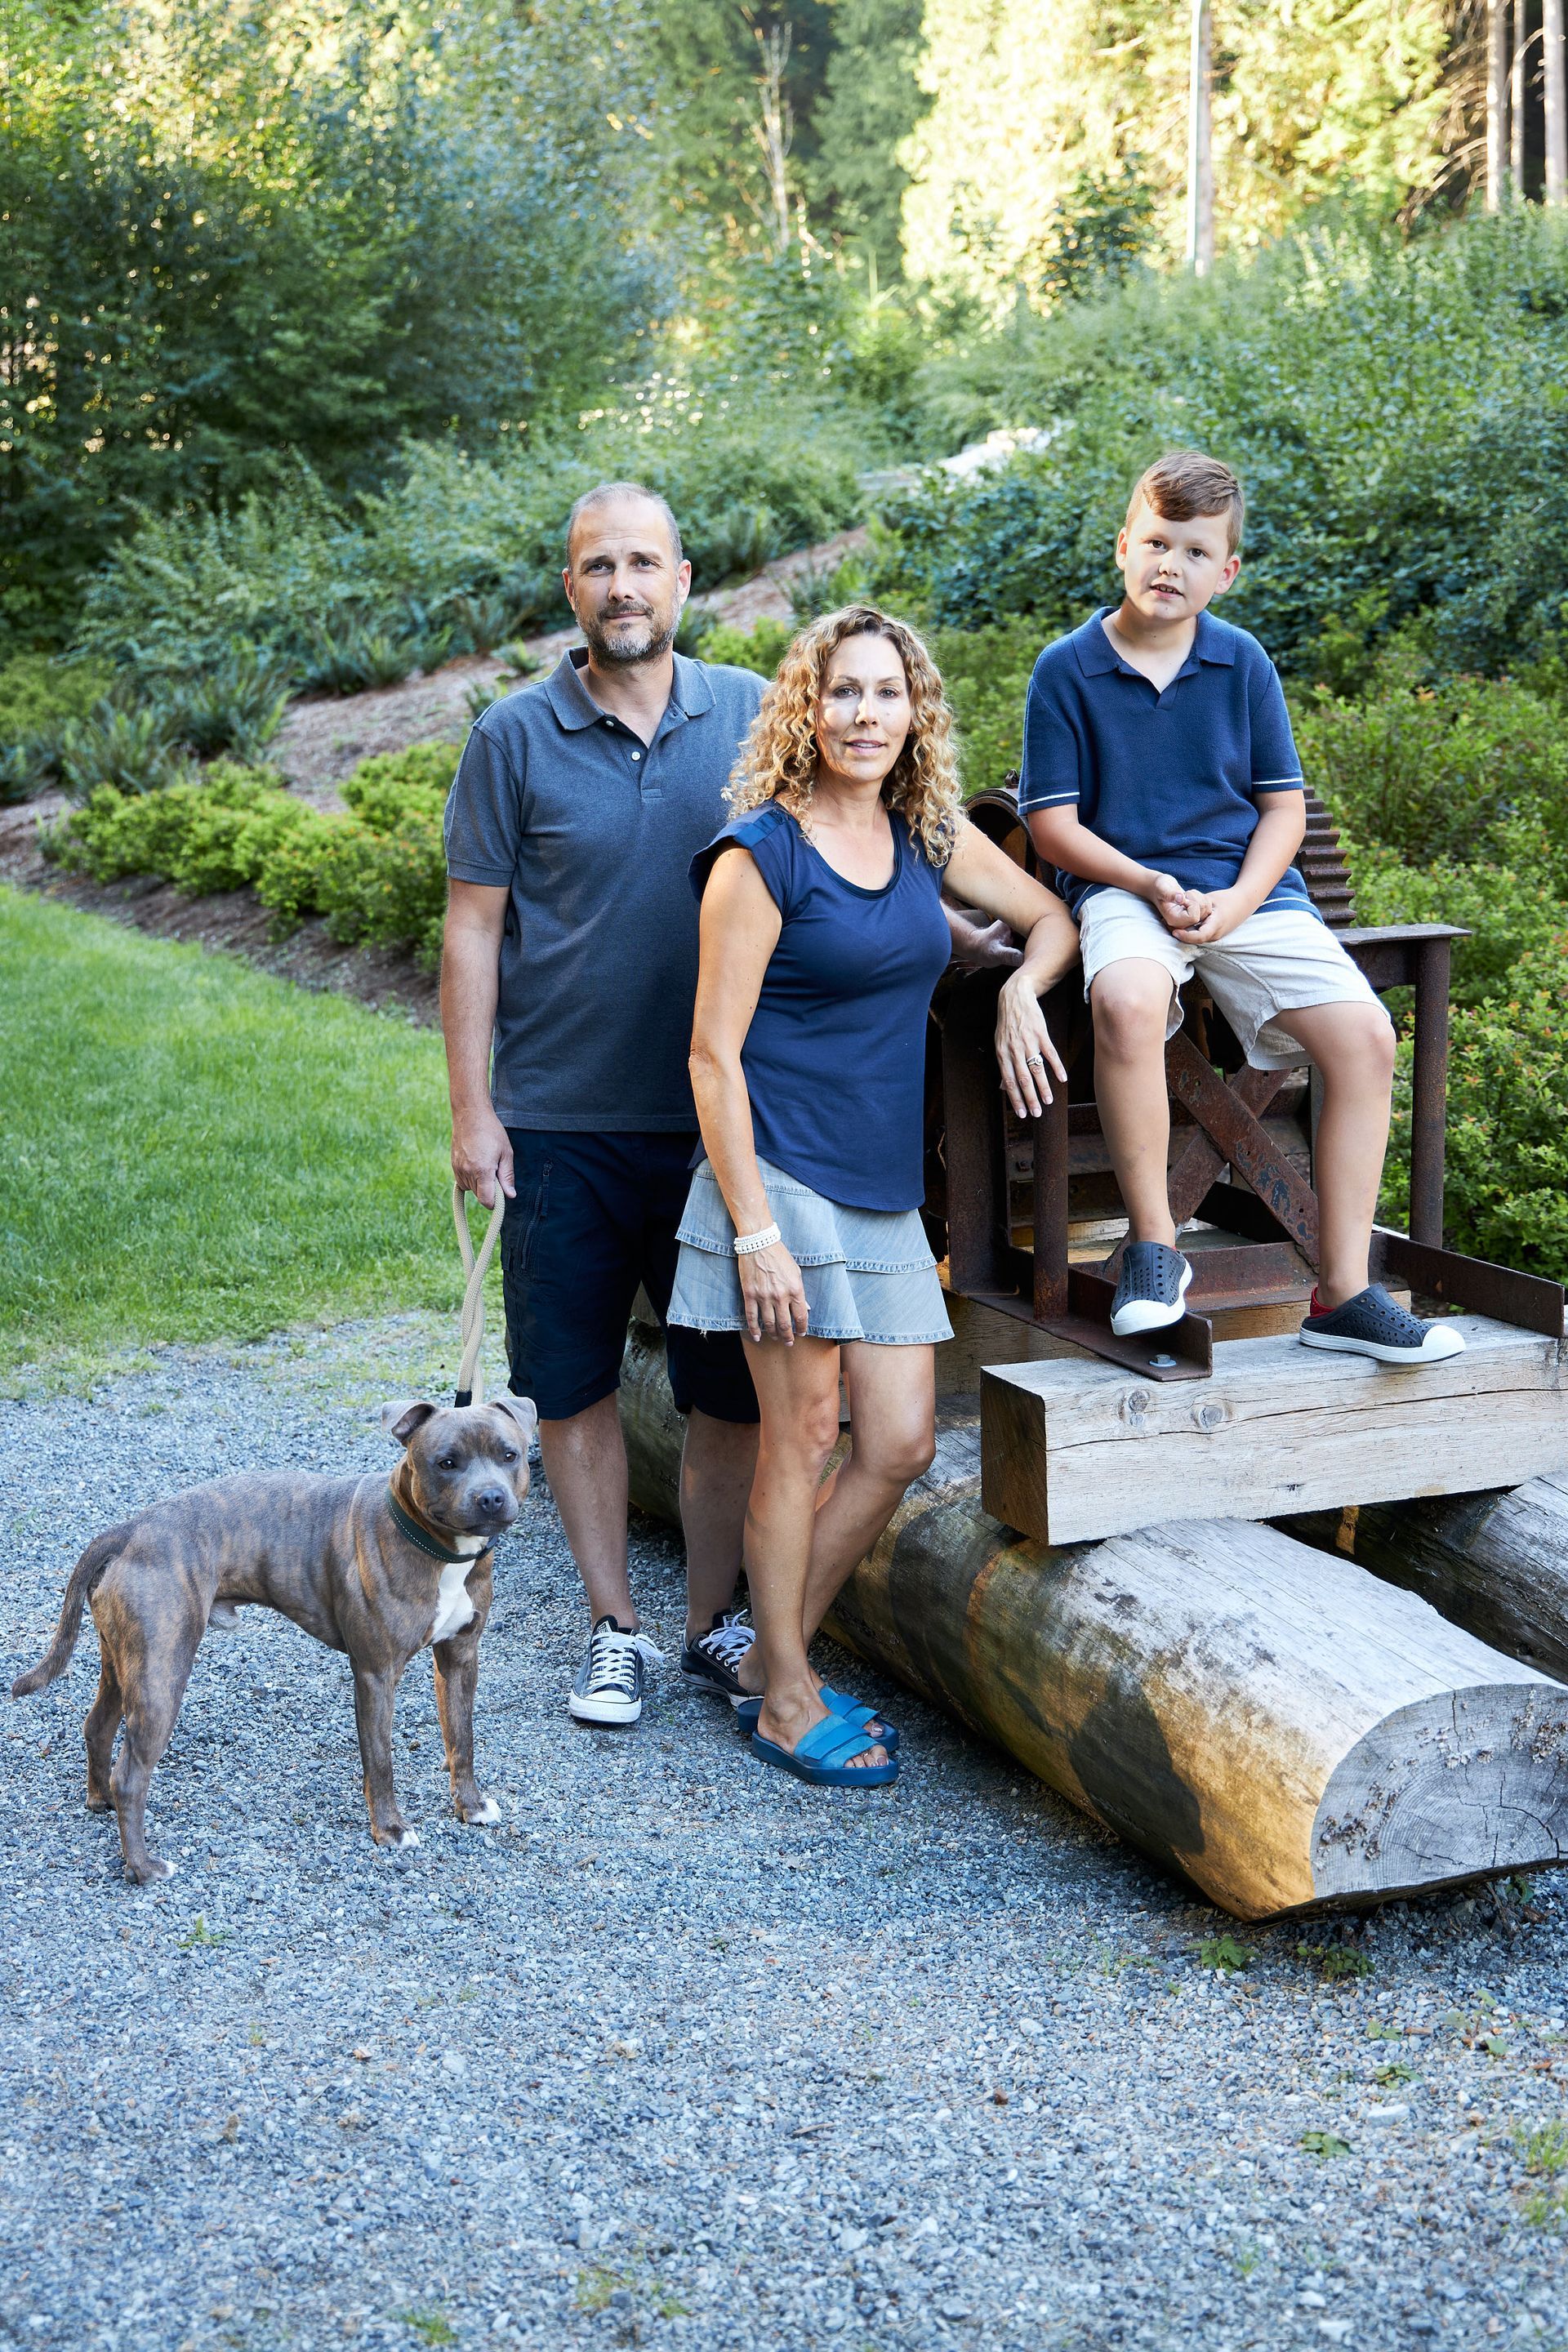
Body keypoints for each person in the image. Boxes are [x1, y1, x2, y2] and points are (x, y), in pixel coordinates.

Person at [440, 485, 1019, 1731]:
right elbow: (473, 929)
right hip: (562, 1112)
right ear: (571, 588)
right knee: (577, 1384)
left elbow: (876, 861)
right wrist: (472, 1111)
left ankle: (716, 1629)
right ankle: (615, 1630)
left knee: (728, 1401)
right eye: (600, 565)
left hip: (728, 1134)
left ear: (684, 578)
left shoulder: (758, 714)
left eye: (644, 562)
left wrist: (992, 961)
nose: (623, 585)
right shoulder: (513, 738)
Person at [670, 604, 1080, 1785]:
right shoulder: (762, 853)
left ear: (917, 712)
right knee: (800, 1437)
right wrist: (753, 1233)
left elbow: (1047, 916)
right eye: (843, 692)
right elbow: (711, 1056)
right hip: (781, 1181)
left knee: (897, 1443)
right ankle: (786, 1692)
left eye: (887, 694)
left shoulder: (923, 829)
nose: (865, 715)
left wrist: (1013, 993)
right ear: (808, 707)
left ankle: (770, 1653)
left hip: (881, 1193)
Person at [1019, 448, 1463, 1366]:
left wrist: (1236, 902)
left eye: (1193, 551)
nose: (1168, 566)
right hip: (1126, 888)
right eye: (1154, 543)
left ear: (1226, 571)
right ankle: (1154, 1248)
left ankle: (1342, 1294)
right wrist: (1147, 884)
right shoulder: (1066, 670)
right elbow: (1053, 827)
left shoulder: (1242, 662)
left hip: (1247, 894)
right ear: (1122, 548)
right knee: (1129, 1002)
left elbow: (1282, 810)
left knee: (1368, 1037)